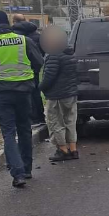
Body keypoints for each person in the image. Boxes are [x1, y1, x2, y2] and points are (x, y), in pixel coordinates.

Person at [0, 11, 43, 188]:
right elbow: (39, 62)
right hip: (23, 92)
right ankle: (26, 169)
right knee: (25, 129)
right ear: (8, 23)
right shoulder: (23, 40)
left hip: (0, 94)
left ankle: (17, 173)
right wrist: (30, 81)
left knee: (9, 133)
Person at [39, 27, 79, 161]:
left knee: (56, 122)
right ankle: (73, 149)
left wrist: (40, 87)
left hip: (57, 95)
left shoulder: (54, 55)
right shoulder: (70, 53)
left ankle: (63, 150)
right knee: (70, 121)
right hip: (70, 94)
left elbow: (49, 76)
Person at [12, 14, 46, 125]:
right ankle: (40, 117)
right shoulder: (37, 35)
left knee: (25, 94)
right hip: (34, 69)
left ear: (14, 22)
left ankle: (30, 117)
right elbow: (42, 52)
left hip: (19, 70)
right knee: (36, 93)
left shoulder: (14, 36)